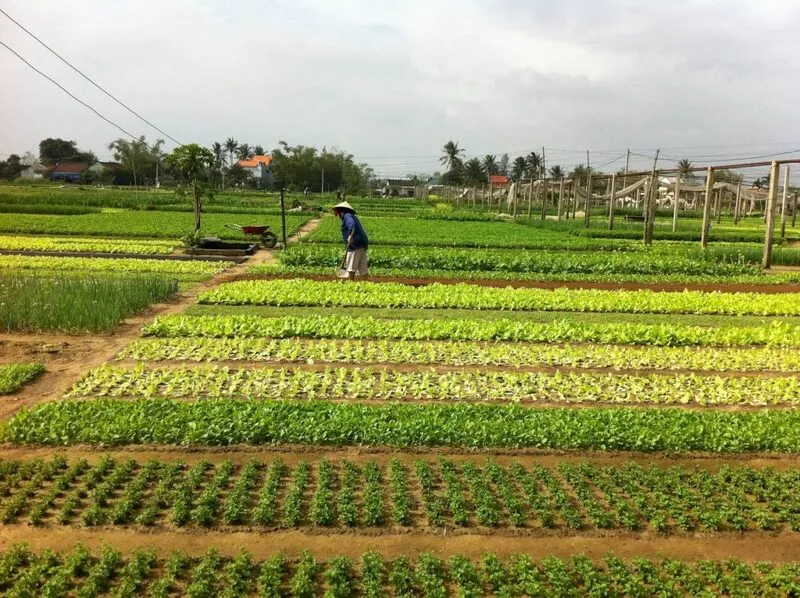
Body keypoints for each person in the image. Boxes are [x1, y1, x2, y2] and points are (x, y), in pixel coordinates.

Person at [332, 201, 368, 278]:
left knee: (351, 268)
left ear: (340, 212)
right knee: (363, 269)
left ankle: (351, 284)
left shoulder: (347, 216)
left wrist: (350, 236)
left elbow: (351, 224)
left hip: (355, 243)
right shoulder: (351, 216)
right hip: (362, 243)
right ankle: (366, 283)